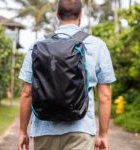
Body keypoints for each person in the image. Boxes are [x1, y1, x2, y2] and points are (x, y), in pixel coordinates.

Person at [18, 0, 116, 150]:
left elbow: (26, 93)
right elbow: (105, 96)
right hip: (81, 130)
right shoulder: (97, 45)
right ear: (80, 15)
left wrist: (22, 131)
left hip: (45, 131)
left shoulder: (37, 45)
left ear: (57, 15)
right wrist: (103, 134)